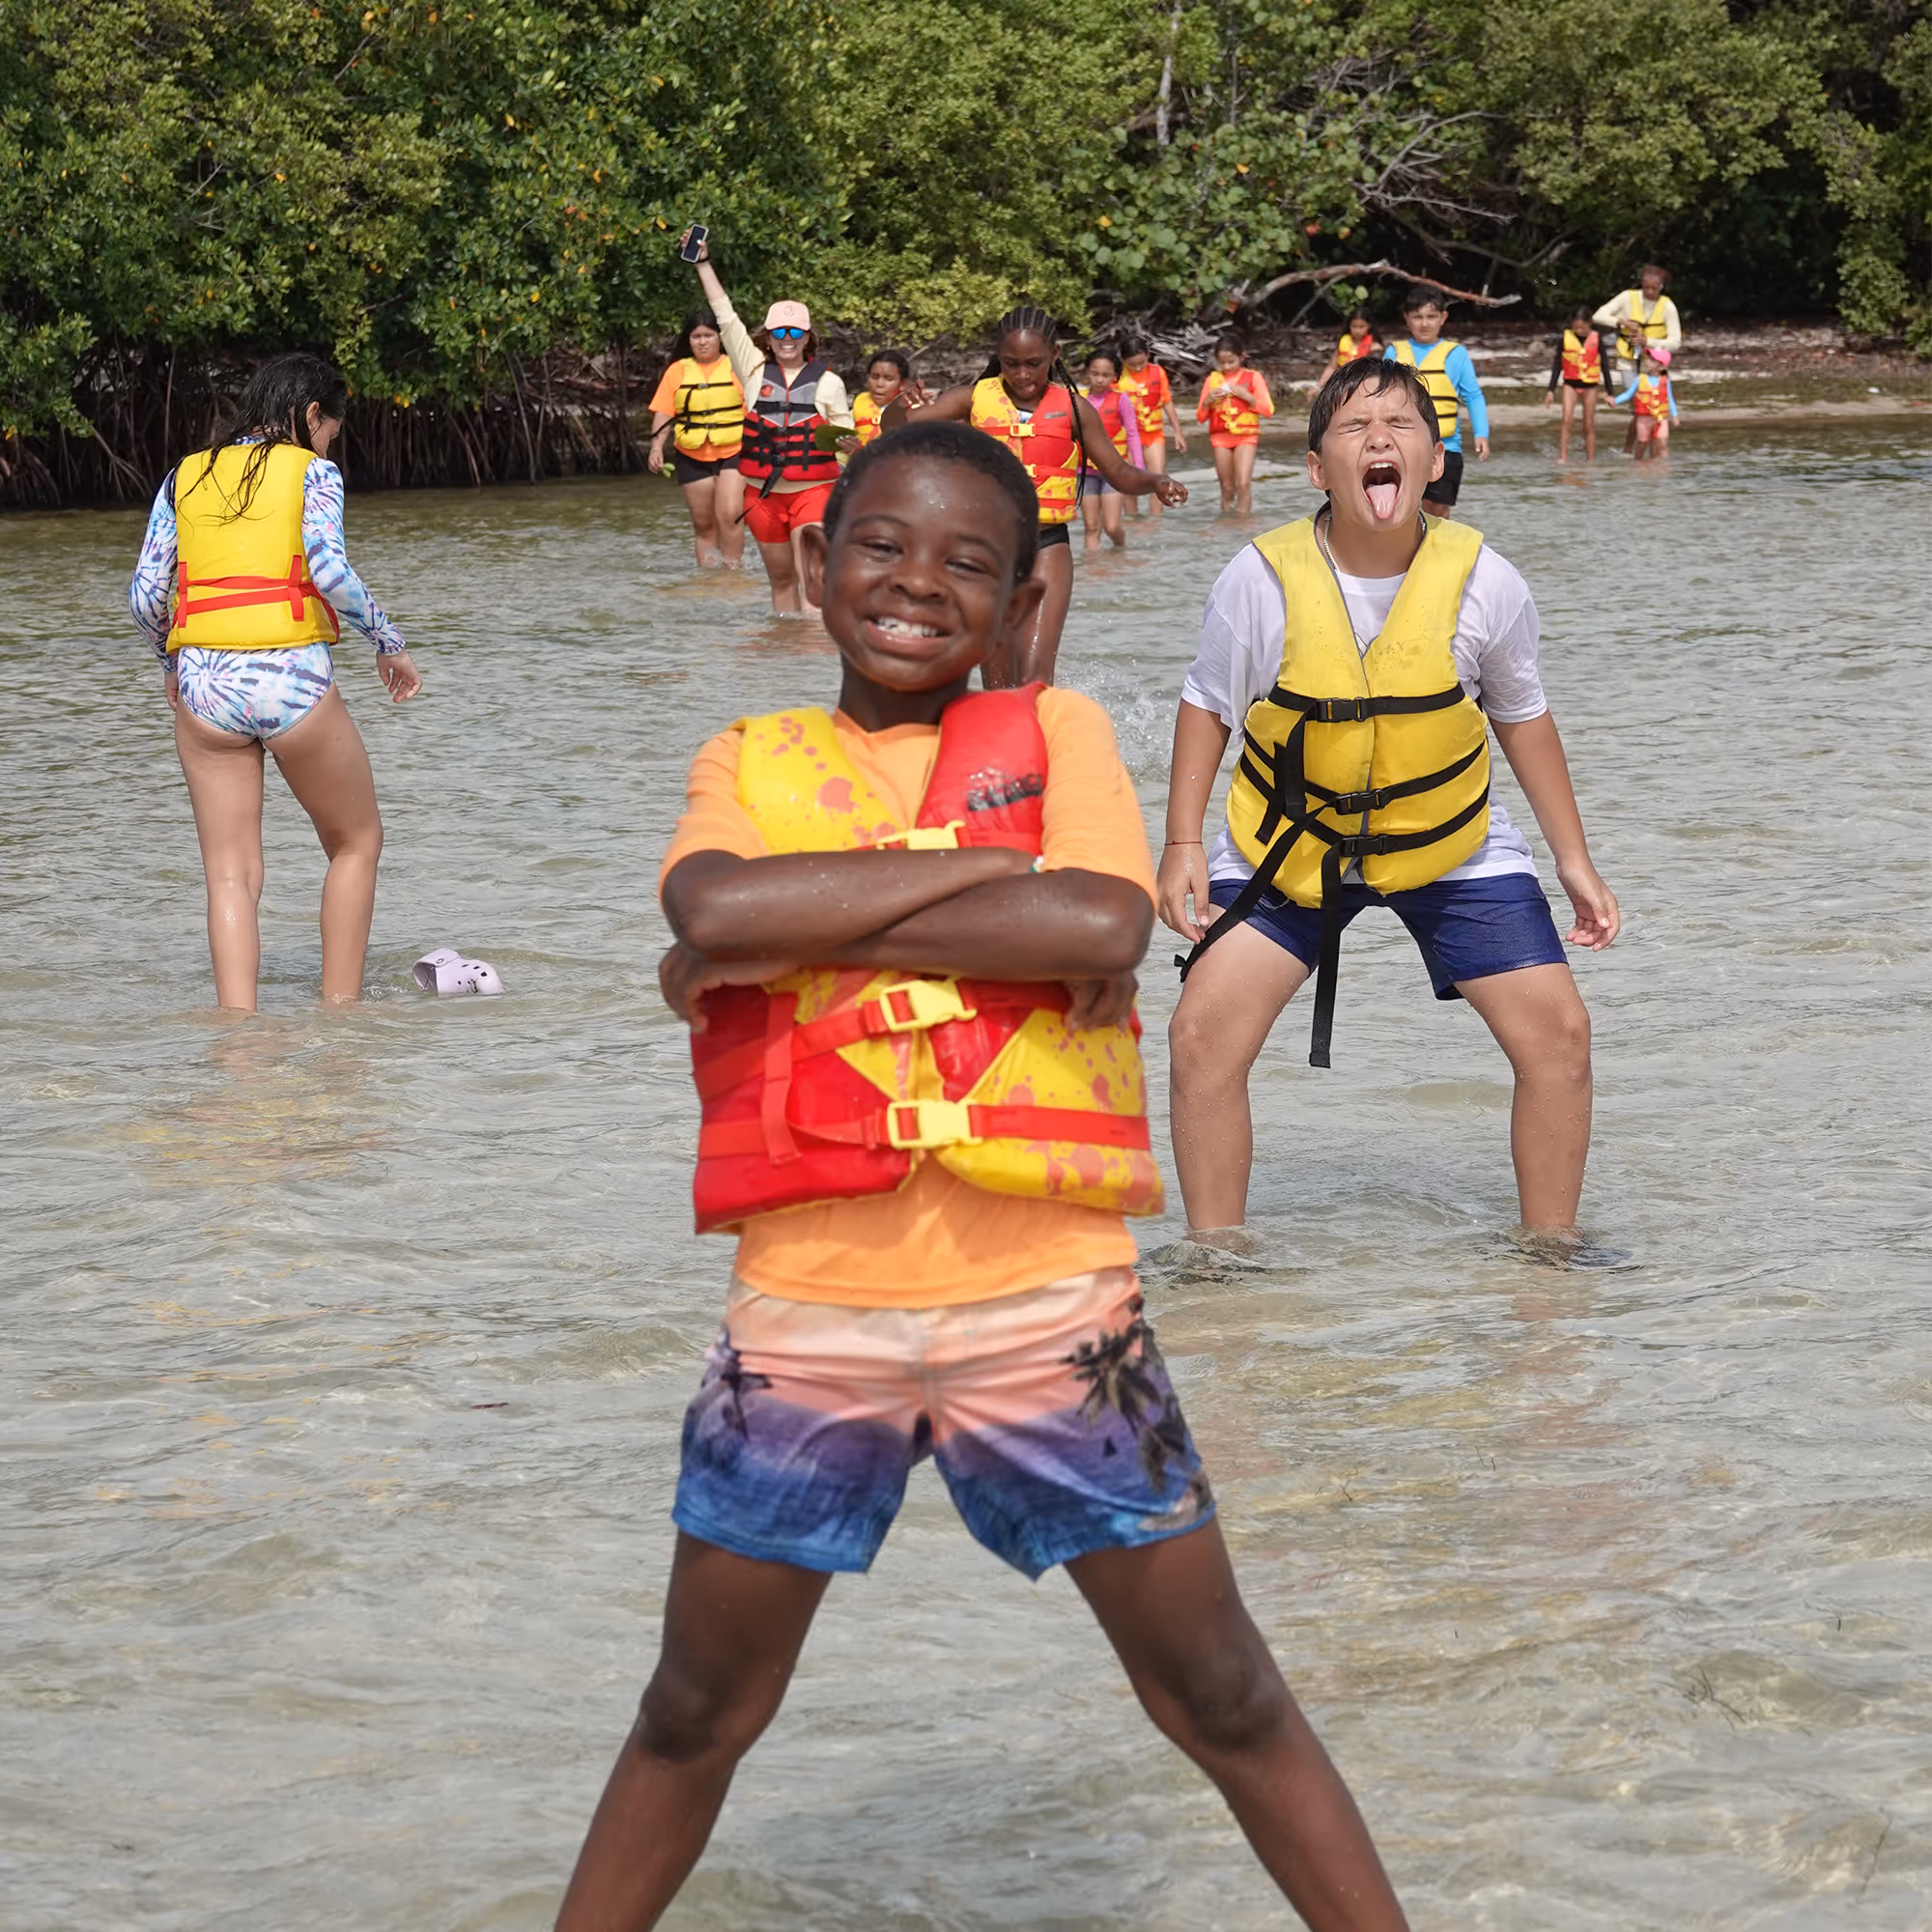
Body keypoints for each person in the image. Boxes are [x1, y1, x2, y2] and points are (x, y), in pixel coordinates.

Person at [554, 418, 1410, 1932]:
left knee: (1222, 1691)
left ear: (1021, 606)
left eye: (967, 564)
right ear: (815, 559)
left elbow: (1099, 926)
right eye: (881, 545)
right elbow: (714, 905)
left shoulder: (1061, 731)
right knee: (693, 1710)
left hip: (1053, 1309)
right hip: (807, 1319)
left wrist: (797, 927)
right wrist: (987, 875)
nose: (915, 583)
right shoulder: (747, 757)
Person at [1155, 356, 1618, 1249]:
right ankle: (1218, 1264)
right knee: (1200, 1034)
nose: (1379, 438)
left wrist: (1574, 859)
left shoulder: (1486, 580)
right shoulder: (1259, 578)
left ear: (1434, 461)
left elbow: (1522, 717)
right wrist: (1181, 844)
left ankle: (1550, 1259)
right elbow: (1207, 705)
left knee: (1560, 1034)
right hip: (1289, 842)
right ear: (1316, 468)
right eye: (1354, 427)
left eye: (1402, 425)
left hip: (1449, 840)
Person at [127, 352, 423, 1012]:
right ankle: (340, 1021)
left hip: (205, 692)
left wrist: (171, 665)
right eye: (329, 434)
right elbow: (331, 574)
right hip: (292, 687)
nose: (327, 448)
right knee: (356, 843)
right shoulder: (313, 472)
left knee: (230, 875)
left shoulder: (183, 476)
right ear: (313, 414)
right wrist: (389, 643)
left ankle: (237, 1037)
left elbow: (145, 596)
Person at [884, 306, 1185, 686]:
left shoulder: (1075, 410)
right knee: (998, 681)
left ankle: (1044, 723)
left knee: (1035, 676)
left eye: (1033, 363)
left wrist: (1156, 481)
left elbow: (1119, 473)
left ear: (1054, 354)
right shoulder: (970, 399)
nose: (1022, 374)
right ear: (999, 356)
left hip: (1047, 546)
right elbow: (894, 431)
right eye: (1011, 363)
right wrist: (899, 405)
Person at [682, 229, 853, 616]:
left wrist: (851, 451)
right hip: (762, 497)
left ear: (807, 338)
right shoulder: (753, 371)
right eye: (779, 332)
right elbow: (725, 316)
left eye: (795, 332)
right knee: (781, 582)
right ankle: (783, 653)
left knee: (813, 584)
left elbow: (847, 441)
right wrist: (703, 264)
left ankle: (814, 648)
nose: (787, 339)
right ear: (768, 337)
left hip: (814, 493)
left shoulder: (830, 383)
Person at [645, 310, 747, 567]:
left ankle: (733, 574)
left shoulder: (738, 368)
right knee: (704, 524)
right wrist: (656, 447)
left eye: (708, 335)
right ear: (688, 340)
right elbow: (664, 412)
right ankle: (708, 579)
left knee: (731, 514)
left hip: (735, 452)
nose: (702, 342)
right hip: (692, 455)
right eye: (696, 336)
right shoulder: (677, 371)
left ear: (720, 338)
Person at [1383, 286, 1489, 518]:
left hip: (1446, 447)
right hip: (1402, 447)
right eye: (1417, 317)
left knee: (1438, 510)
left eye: (1431, 317)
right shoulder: (1393, 353)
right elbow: (1380, 398)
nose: (1424, 323)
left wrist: (1481, 433)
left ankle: (1438, 542)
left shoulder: (1456, 354)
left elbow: (1473, 396)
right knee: (1402, 510)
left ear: (1443, 318)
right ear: (1407, 319)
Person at [1196, 334, 1276, 514]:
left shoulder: (1254, 377)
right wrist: (1208, 400)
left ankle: (1243, 521)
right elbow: (1200, 417)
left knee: (1243, 484)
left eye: (1231, 362)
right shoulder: (1212, 380)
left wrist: (1247, 397)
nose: (1226, 367)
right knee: (1227, 488)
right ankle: (1226, 523)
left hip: (1245, 437)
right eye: (1221, 362)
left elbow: (1268, 410)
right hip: (1220, 438)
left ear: (1242, 356)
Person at [1079, 347, 1146, 553]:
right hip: (1085, 472)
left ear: (1115, 376)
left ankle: (1121, 551)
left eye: (1106, 375)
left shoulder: (1121, 399)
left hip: (1114, 472)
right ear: (1087, 372)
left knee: (1112, 526)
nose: (1100, 379)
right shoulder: (1077, 399)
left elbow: (1132, 433)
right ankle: (1093, 567)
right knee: (1091, 526)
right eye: (1095, 374)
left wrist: (1139, 466)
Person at [1117, 333, 1187, 515]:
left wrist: (1178, 432)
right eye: (1132, 365)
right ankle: (1132, 519)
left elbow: (1167, 402)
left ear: (1148, 355)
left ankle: (1156, 522)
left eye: (1142, 363)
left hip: (1154, 435)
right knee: (1129, 482)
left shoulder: (1158, 372)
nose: (1138, 368)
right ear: (1123, 361)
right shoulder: (1117, 377)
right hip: (1127, 437)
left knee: (1159, 481)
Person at [1593, 264, 1681, 390]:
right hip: (1628, 359)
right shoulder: (1627, 297)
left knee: (1653, 396)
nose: (1650, 291)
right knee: (1633, 394)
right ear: (1642, 284)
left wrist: (1647, 342)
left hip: (1654, 363)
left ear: (1661, 287)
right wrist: (1622, 322)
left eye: (1654, 288)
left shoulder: (1668, 306)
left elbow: (1675, 343)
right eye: (1646, 287)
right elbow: (1598, 316)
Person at [1543, 307, 1603, 462]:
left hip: (1591, 385)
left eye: (1582, 327)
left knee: (1588, 423)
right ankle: (1563, 456)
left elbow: (1606, 366)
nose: (1579, 331)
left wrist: (1610, 392)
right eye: (1576, 328)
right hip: (1570, 384)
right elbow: (1557, 364)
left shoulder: (1596, 338)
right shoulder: (1565, 338)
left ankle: (1590, 459)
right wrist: (1551, 390)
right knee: (1567, 419)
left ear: (1590, 323)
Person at [1611, 341, 1676, 459]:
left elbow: (1670, 399)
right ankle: (1638, 465)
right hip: (1643, 419)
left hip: (1660, 418)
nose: (1647, 361)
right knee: (1642, 444)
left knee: (1662, 444)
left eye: (1652, 360)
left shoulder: (1665, 381)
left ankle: (1662, 466)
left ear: (1661, 366)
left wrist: (1675, 415)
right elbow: (1628, 394)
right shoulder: (1640, 379)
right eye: (1648, 359)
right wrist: (1615, 401)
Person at [850, 349, 910, 447]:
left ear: (903, 384)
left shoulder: (914, 413)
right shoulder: (857, 406)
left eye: (888, 379)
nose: (879, 384)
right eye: (874, 377)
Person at [1320, 308, 1380, 384]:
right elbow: (1331, 367)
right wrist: (1318, 386)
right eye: (1354, 326)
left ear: (1369, 326)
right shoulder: (1343, 342)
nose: (1357, 330)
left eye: (1361, 327)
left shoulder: (1375, 347)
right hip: (1342, 381)